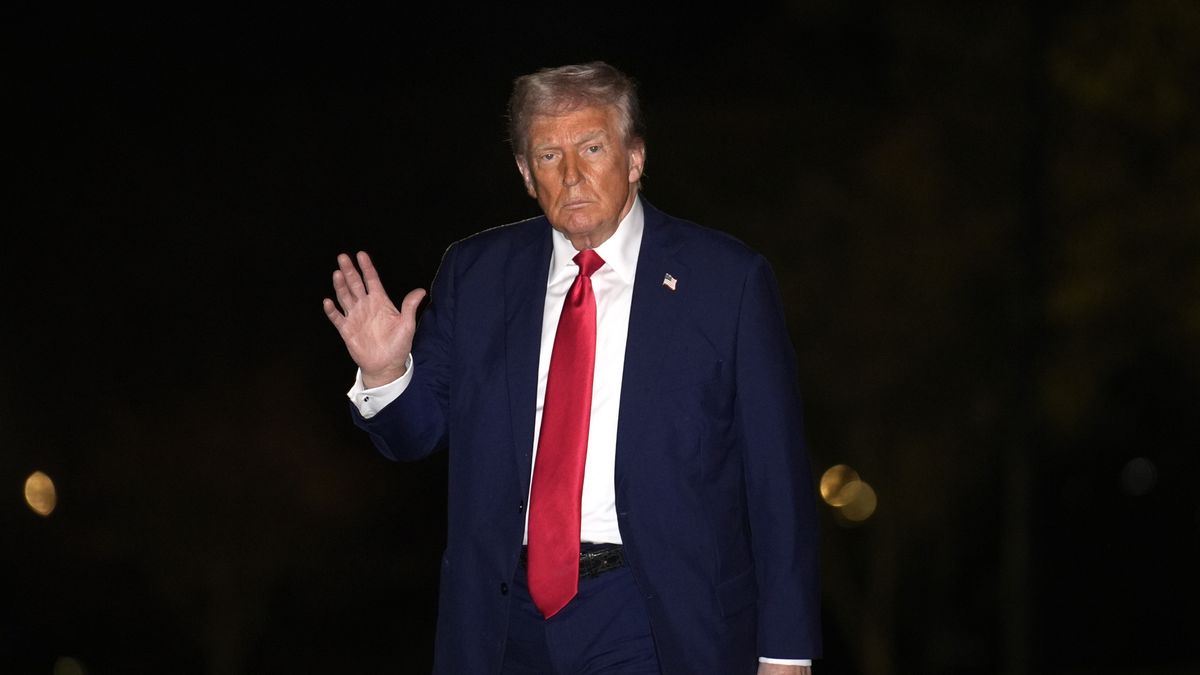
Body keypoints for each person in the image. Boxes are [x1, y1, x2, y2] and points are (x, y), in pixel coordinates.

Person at [324, 61, 821, 674]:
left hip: (654, 615)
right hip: (503, 621)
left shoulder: (727, 281)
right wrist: (385, 373)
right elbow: (414, 436)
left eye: (592, 147)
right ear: (526, 175)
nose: (574, 175)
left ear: (634, 158)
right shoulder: (477, 275)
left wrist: (786, 649)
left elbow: (778, 480)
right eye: (550, 156)